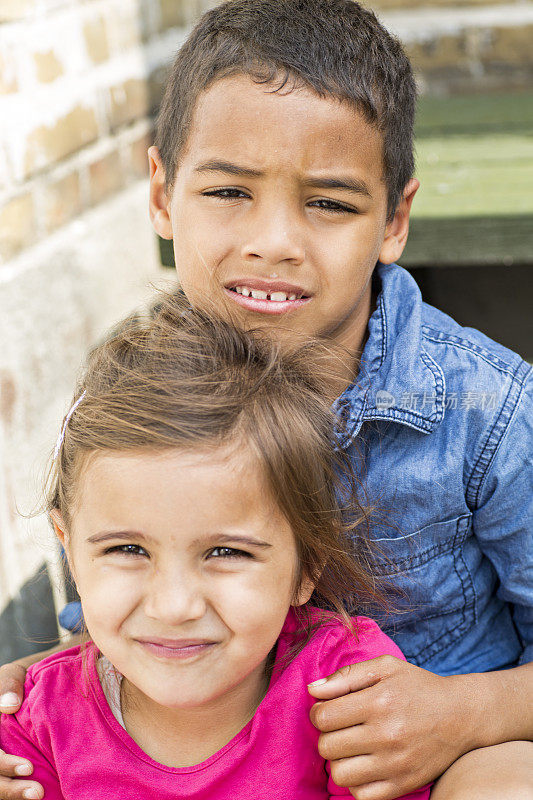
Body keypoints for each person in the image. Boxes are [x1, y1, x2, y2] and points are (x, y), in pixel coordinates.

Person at [0, 0, 531, 798]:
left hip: (428, 761)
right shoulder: (135, 399)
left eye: (328, 203)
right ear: (161, 195)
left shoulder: (485, 410)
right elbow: (133, 604)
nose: (273, 240)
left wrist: (467, 713)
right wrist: (31, 694)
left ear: (393, 220)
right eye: (228, 193)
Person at [0, 297, 431, 800]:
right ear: (68, 550)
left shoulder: (346, 691)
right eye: (128, 549)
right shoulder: (36, 727)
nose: (175, 606)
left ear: (306, 567)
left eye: (226, 553)